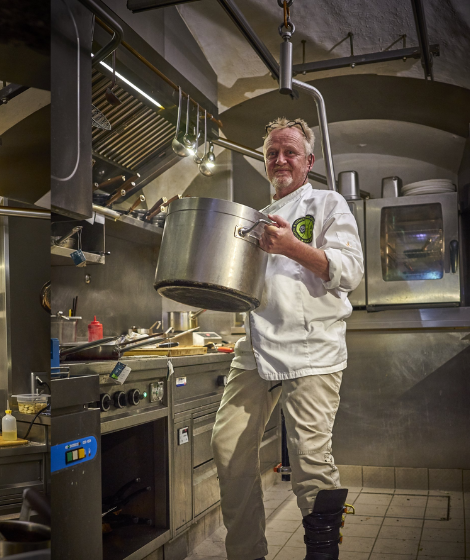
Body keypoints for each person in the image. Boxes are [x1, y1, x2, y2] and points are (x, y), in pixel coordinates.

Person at [211, 117, 364, 560]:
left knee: (310, 462)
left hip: (314, 346)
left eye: (290, 152)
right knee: (228, 446)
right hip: (256, 343)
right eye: (272, 153)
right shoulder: (256, 218)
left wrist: (291, 247)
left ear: (308, 161)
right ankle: (246, 553)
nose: (280, 159)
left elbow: (349, 272)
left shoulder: (327, 204)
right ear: (264, 162)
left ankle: (321, 554)